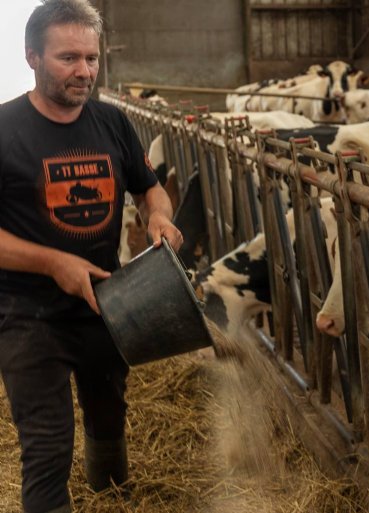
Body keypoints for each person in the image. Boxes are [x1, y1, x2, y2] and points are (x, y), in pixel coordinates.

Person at [0, 1, 183, 512]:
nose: (84, 71)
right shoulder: (4, 129)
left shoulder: (112, 122)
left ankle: (113, 494)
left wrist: (158, 217)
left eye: (92, 58)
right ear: (32, 56)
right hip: (26, 316)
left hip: (107, 300)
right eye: (68, 58)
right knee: (46, 446)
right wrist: (53, 263)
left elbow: (150, 189)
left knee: (108, 410)